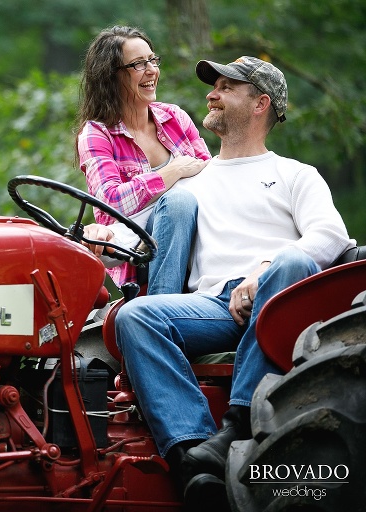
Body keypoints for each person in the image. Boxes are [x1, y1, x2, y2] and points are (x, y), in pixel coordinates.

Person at [109, 56, 355, 511]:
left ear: (261, 104)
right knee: (136, 315)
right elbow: (129, 237)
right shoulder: (193, 181)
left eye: (227, 87)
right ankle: (192, 457)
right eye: (214, 85)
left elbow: (330, 236)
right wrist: (101, 238)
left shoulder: (295, 175)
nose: (211, 94)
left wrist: (260, 274)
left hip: (280, 299)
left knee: (289, 260)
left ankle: (237, 425)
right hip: (215, 308)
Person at [75, 26, 211, 294]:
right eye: (138, 64)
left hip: (203, 241)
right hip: (141, 257)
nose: (151, 70)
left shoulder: (175, 117)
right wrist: (171, 173)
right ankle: (159, 306)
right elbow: (111, 201)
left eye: (152, 60)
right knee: (177, 202)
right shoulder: (97, 134)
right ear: (111, 77)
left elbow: (211, 176)